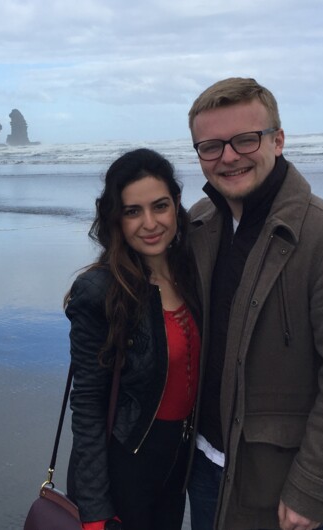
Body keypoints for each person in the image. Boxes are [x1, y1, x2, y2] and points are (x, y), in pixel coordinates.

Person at [184, 77, 323, 530]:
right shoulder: (199, 223)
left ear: (277, 139)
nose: (228, 157)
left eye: (245, 139)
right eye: (210, 146)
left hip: (278, 485)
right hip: (201, 463)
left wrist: (314, 487)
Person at [65, 148, 201, 530]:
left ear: (176, 205)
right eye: (132, 212)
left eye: (160, 206)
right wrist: (94, 510)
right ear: (115, 219)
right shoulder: (100, 291)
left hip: (179, 460)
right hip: (126, 463)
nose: (150, 223)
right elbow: (88, 402)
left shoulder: (192, 272)